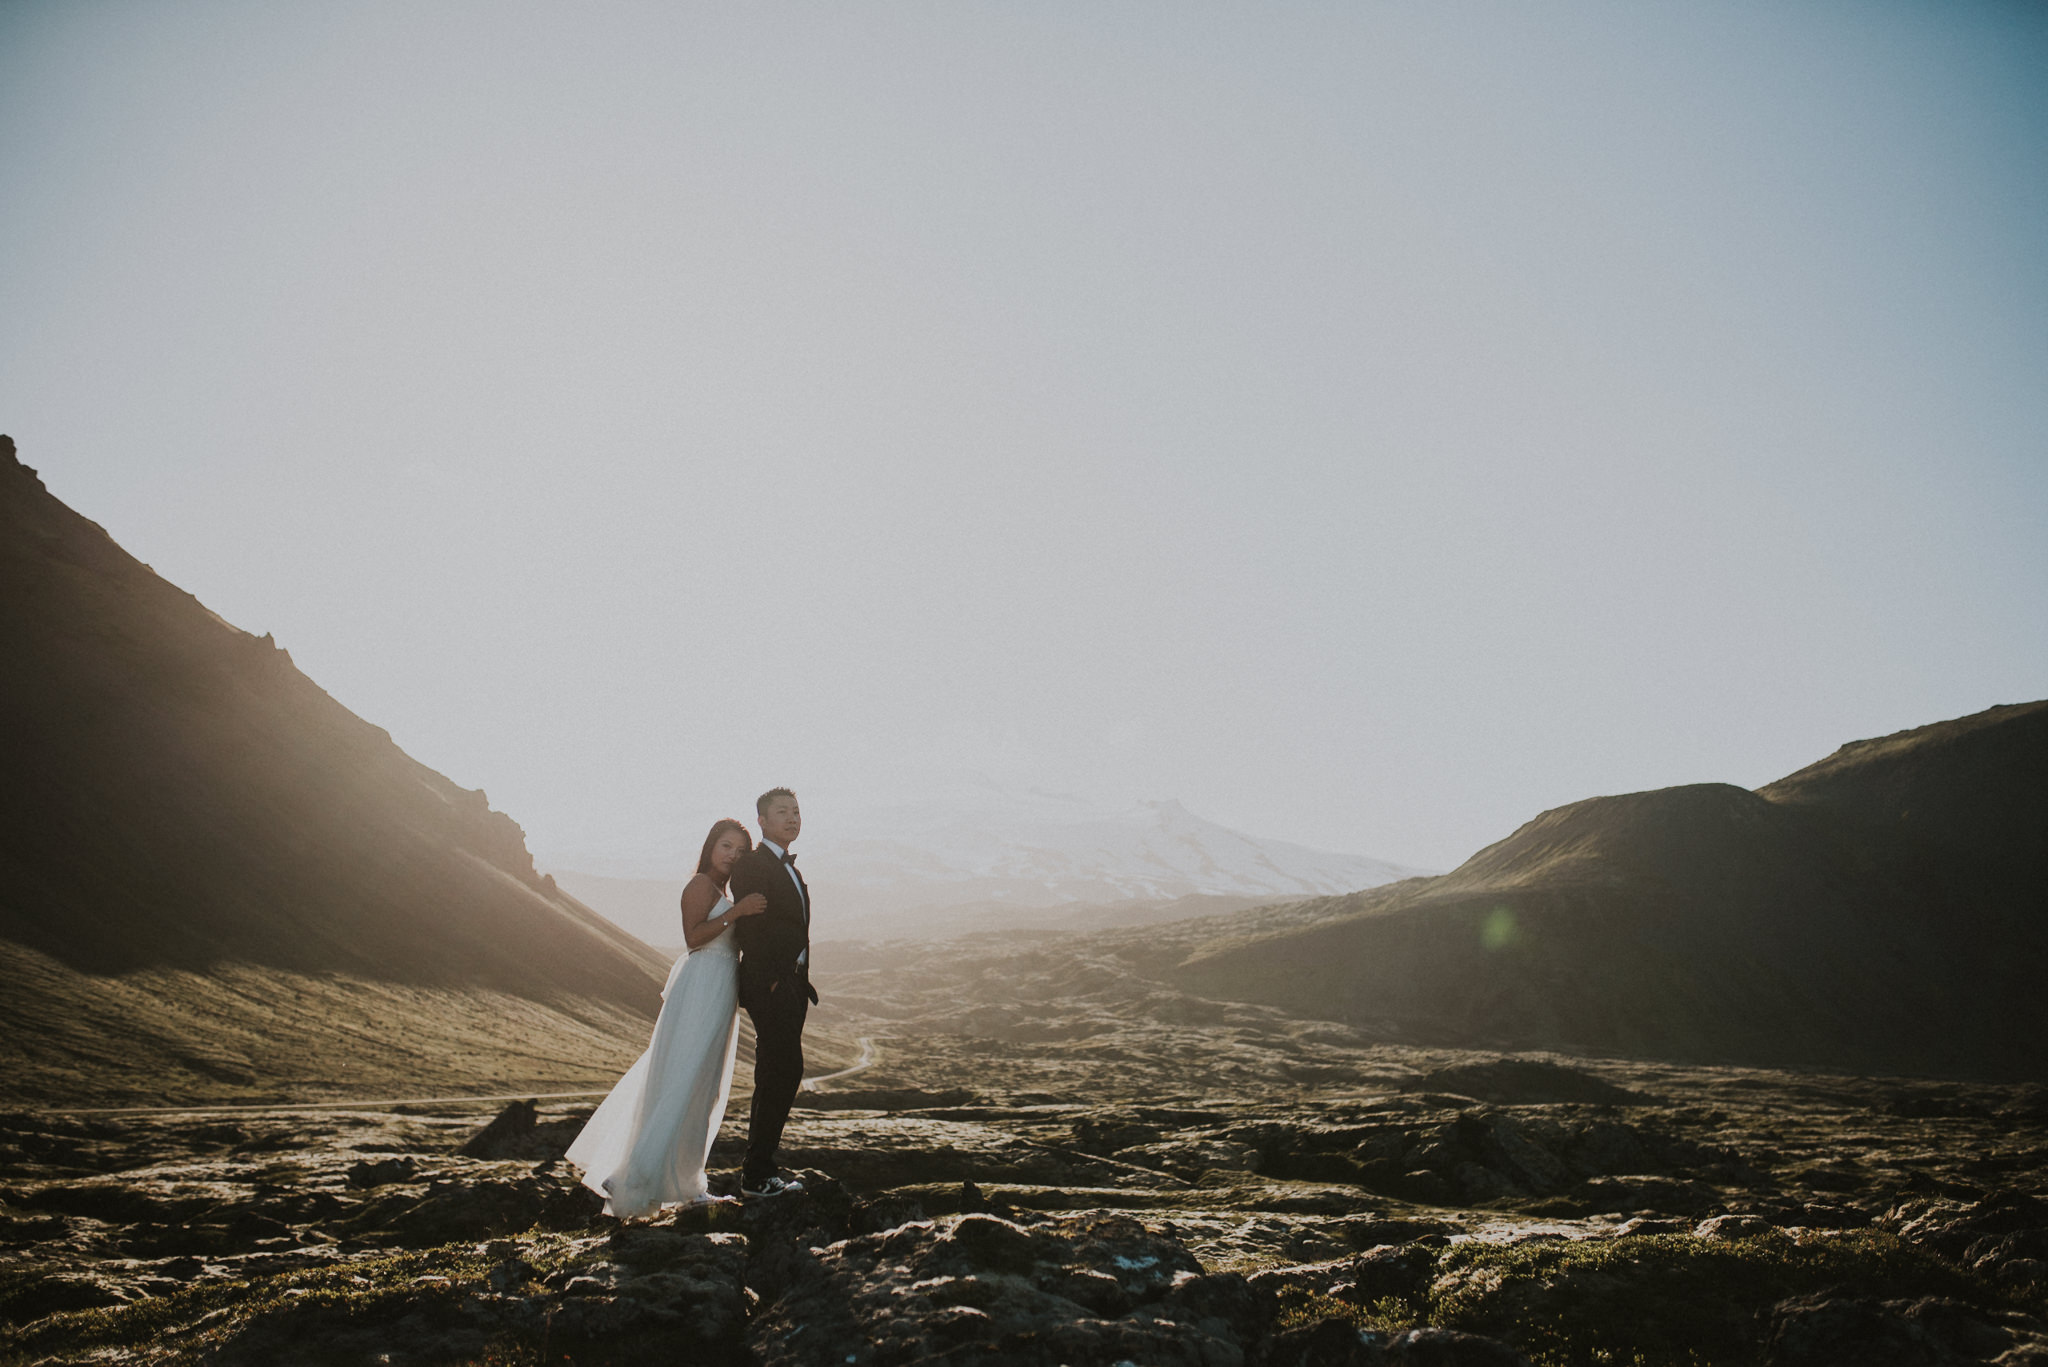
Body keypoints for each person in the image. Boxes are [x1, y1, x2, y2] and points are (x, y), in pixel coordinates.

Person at [565, 818, 767, 1217]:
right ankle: (637, 1176)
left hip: (720, 985)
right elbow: (693, 938)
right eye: (726, 846)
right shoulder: (699, 886)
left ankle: (676, 1181)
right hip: (702, 983)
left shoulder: (722, 890)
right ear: (711, 846)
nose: (732, 855)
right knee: (685, 1076)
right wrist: (738, 912)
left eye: (740, 850)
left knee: (701, 1085)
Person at [729, 786, 817, 1196]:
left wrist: (796, 981)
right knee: (779, 1071)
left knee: (782, 1071)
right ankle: (757, 1174)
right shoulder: (752, 864)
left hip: (791, 985)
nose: (793, 818)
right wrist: (774, 979)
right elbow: (750, 928)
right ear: (761, 820)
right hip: (772, 985)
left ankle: (759, 1168)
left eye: (796, 811)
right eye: (783, 812)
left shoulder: (791, 869)